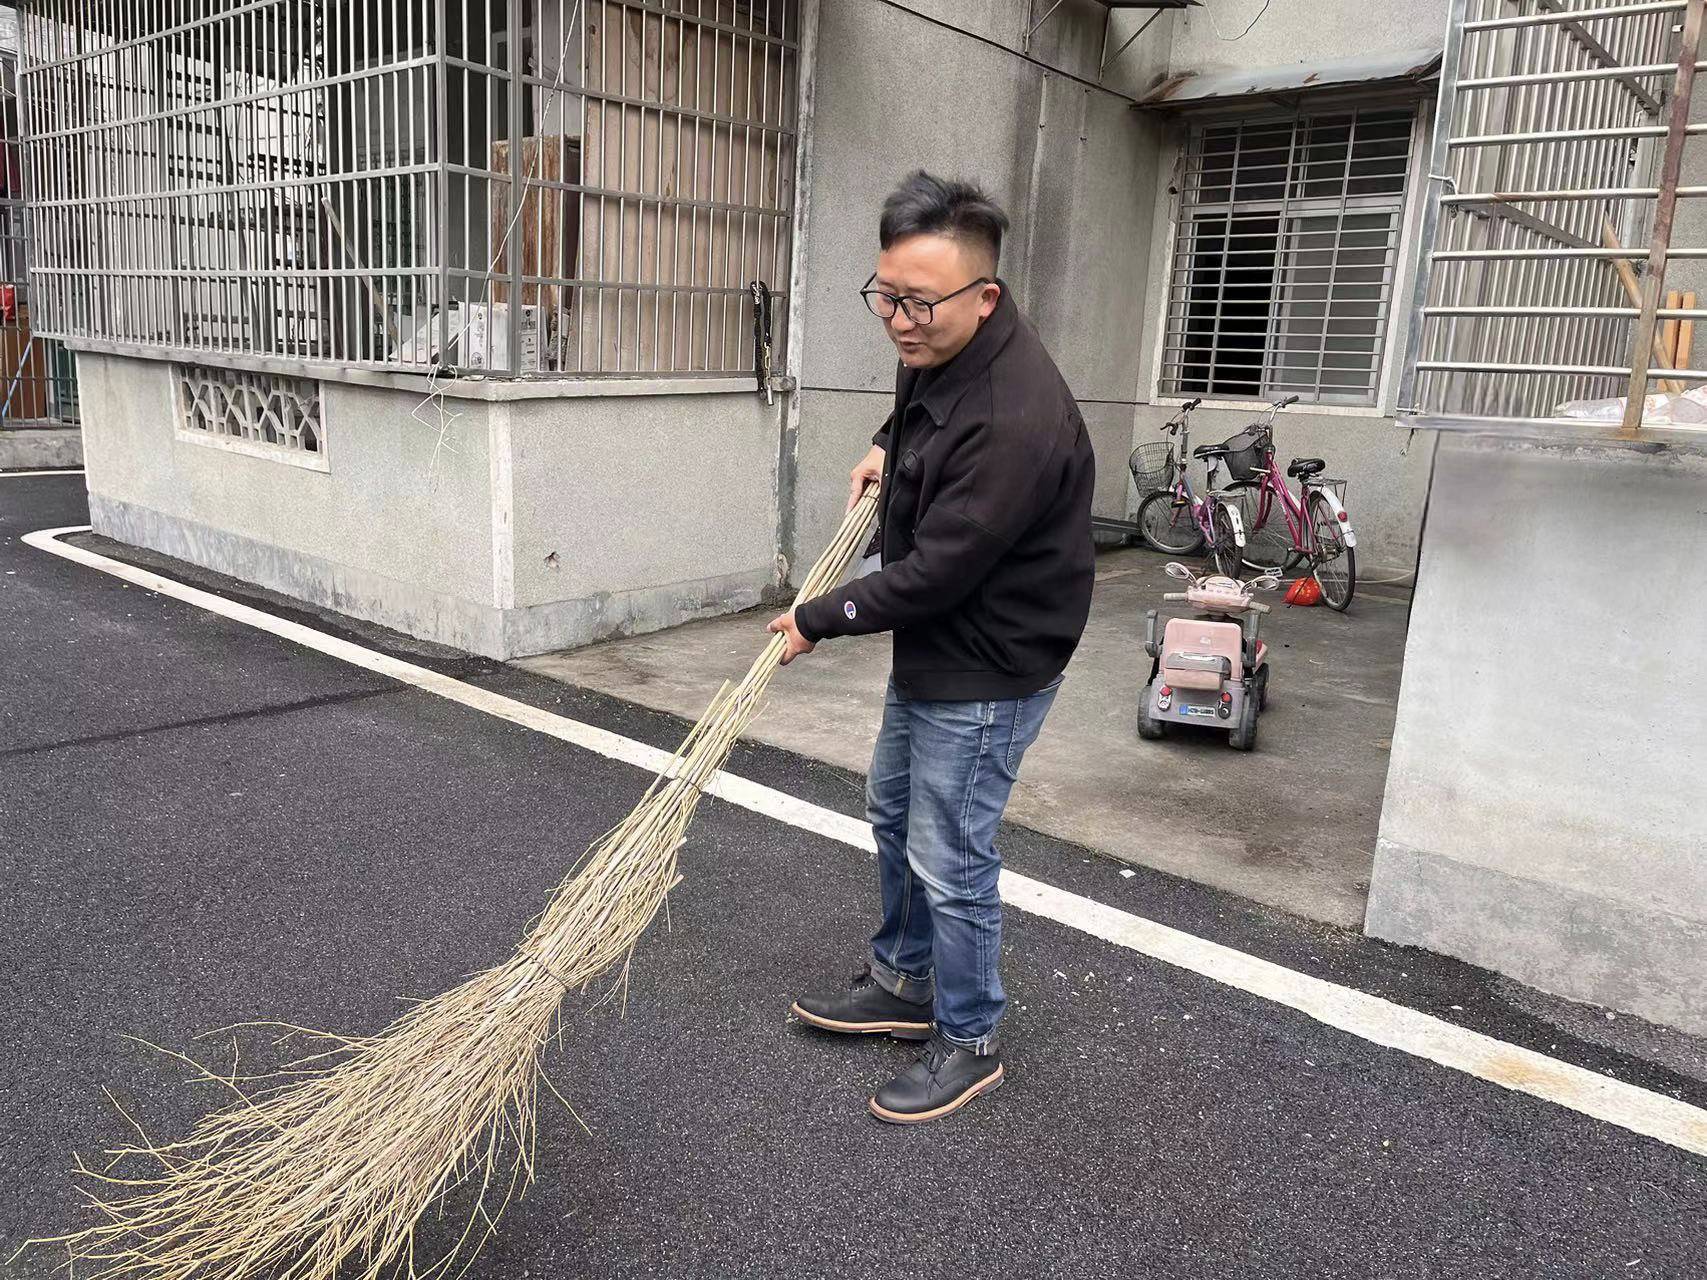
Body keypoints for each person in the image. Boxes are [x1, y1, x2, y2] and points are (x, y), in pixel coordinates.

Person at [767, 171, 1095, 1124]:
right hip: (939, 642)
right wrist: (885, 440)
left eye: (919, 304)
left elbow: (935, 575)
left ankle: (970, 1037)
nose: (899, 322)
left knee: (950, 854)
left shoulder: (1014, 417)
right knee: (893, 810)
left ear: (984, 295)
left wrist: (817, 617)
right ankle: (903, 984)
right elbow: (915, 399)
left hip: (990, 659)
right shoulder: (939, 343)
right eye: (886, 296)